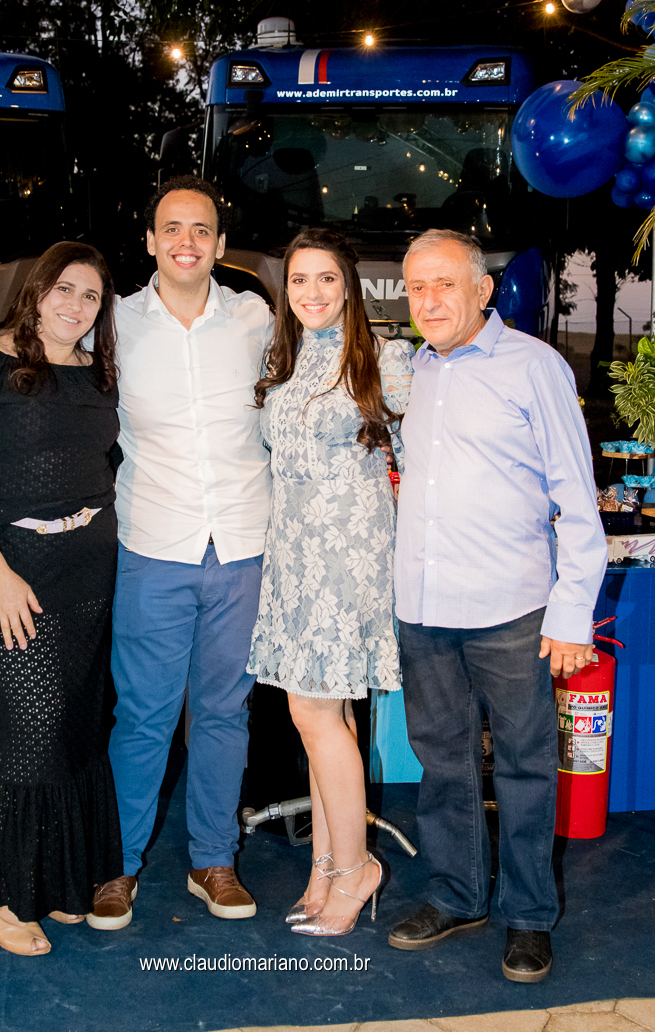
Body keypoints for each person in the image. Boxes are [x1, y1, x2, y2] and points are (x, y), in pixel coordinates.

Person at [390, 229, 607, 981]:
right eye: (417, 288)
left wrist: (571, 615)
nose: (429, 301)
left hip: (513, 610)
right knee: (441, 763)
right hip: (423, 609)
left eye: (445, 284)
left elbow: (577, 498)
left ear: (483, 290)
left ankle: (529, 915)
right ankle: (456, 895)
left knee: (523, 768)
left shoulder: (533, 366)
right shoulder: (415, 369)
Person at [0, 242, 123, 957]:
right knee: (28, 733)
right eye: (63, 289)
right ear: (36, 289)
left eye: (91, 296)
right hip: (14, 571)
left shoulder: (97, 373)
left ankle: (59, 882)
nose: (76, 305)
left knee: (77, 726)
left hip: (90, 566)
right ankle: (6, 898)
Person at [93, 176, 272, 931]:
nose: (186, 242)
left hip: (244, 546)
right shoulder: (113, 323)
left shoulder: (257, 318)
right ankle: (118, 865)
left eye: (201, 229)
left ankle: (213, 860)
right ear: (149, 242)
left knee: (225, 713)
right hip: (153, 544)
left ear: (221, 244)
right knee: (143, 715)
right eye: (172, 228)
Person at [249, 228, 414, 937]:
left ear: (349, 285)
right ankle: (325, 867)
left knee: (315, 715)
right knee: (327, 719)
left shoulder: (385, 359)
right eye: (299, 279)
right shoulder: (282, 361)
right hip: (292, 557)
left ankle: (355, 869)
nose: (311, 292)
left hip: (349, 559)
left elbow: (420, 462)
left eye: (326, 278)